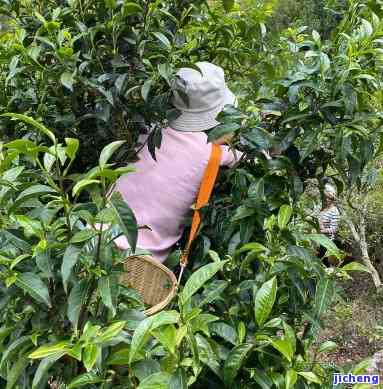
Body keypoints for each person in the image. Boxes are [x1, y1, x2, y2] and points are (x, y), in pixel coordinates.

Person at [100, 62, 269, 263]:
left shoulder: (148, 129)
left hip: (95, 235)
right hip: (140, 263)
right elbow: (259, 157)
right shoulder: (213, 155)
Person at [318, 183, 341, 265]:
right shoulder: (324, 208)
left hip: (328, 241)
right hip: (320, 240)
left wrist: (322, 230)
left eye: (330, 198)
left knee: (325, 263)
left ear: (333, 199)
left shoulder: (334, 211)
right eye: (326, 197)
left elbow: (334, 229)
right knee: (320, 261)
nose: (327, 199)